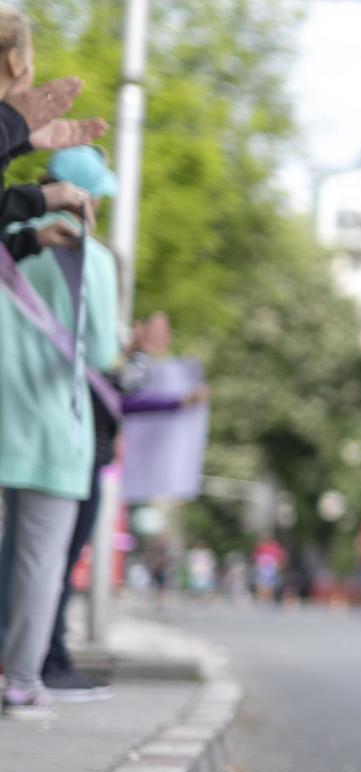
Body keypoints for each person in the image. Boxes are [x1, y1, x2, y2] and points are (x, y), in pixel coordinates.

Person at [0, 72, 120, 714]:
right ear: (92, 201)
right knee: (37, 561)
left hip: (3, 418)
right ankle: (21, 680)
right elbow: (101, 352)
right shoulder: (90, 262)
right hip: (52, 429)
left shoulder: (14, 247)